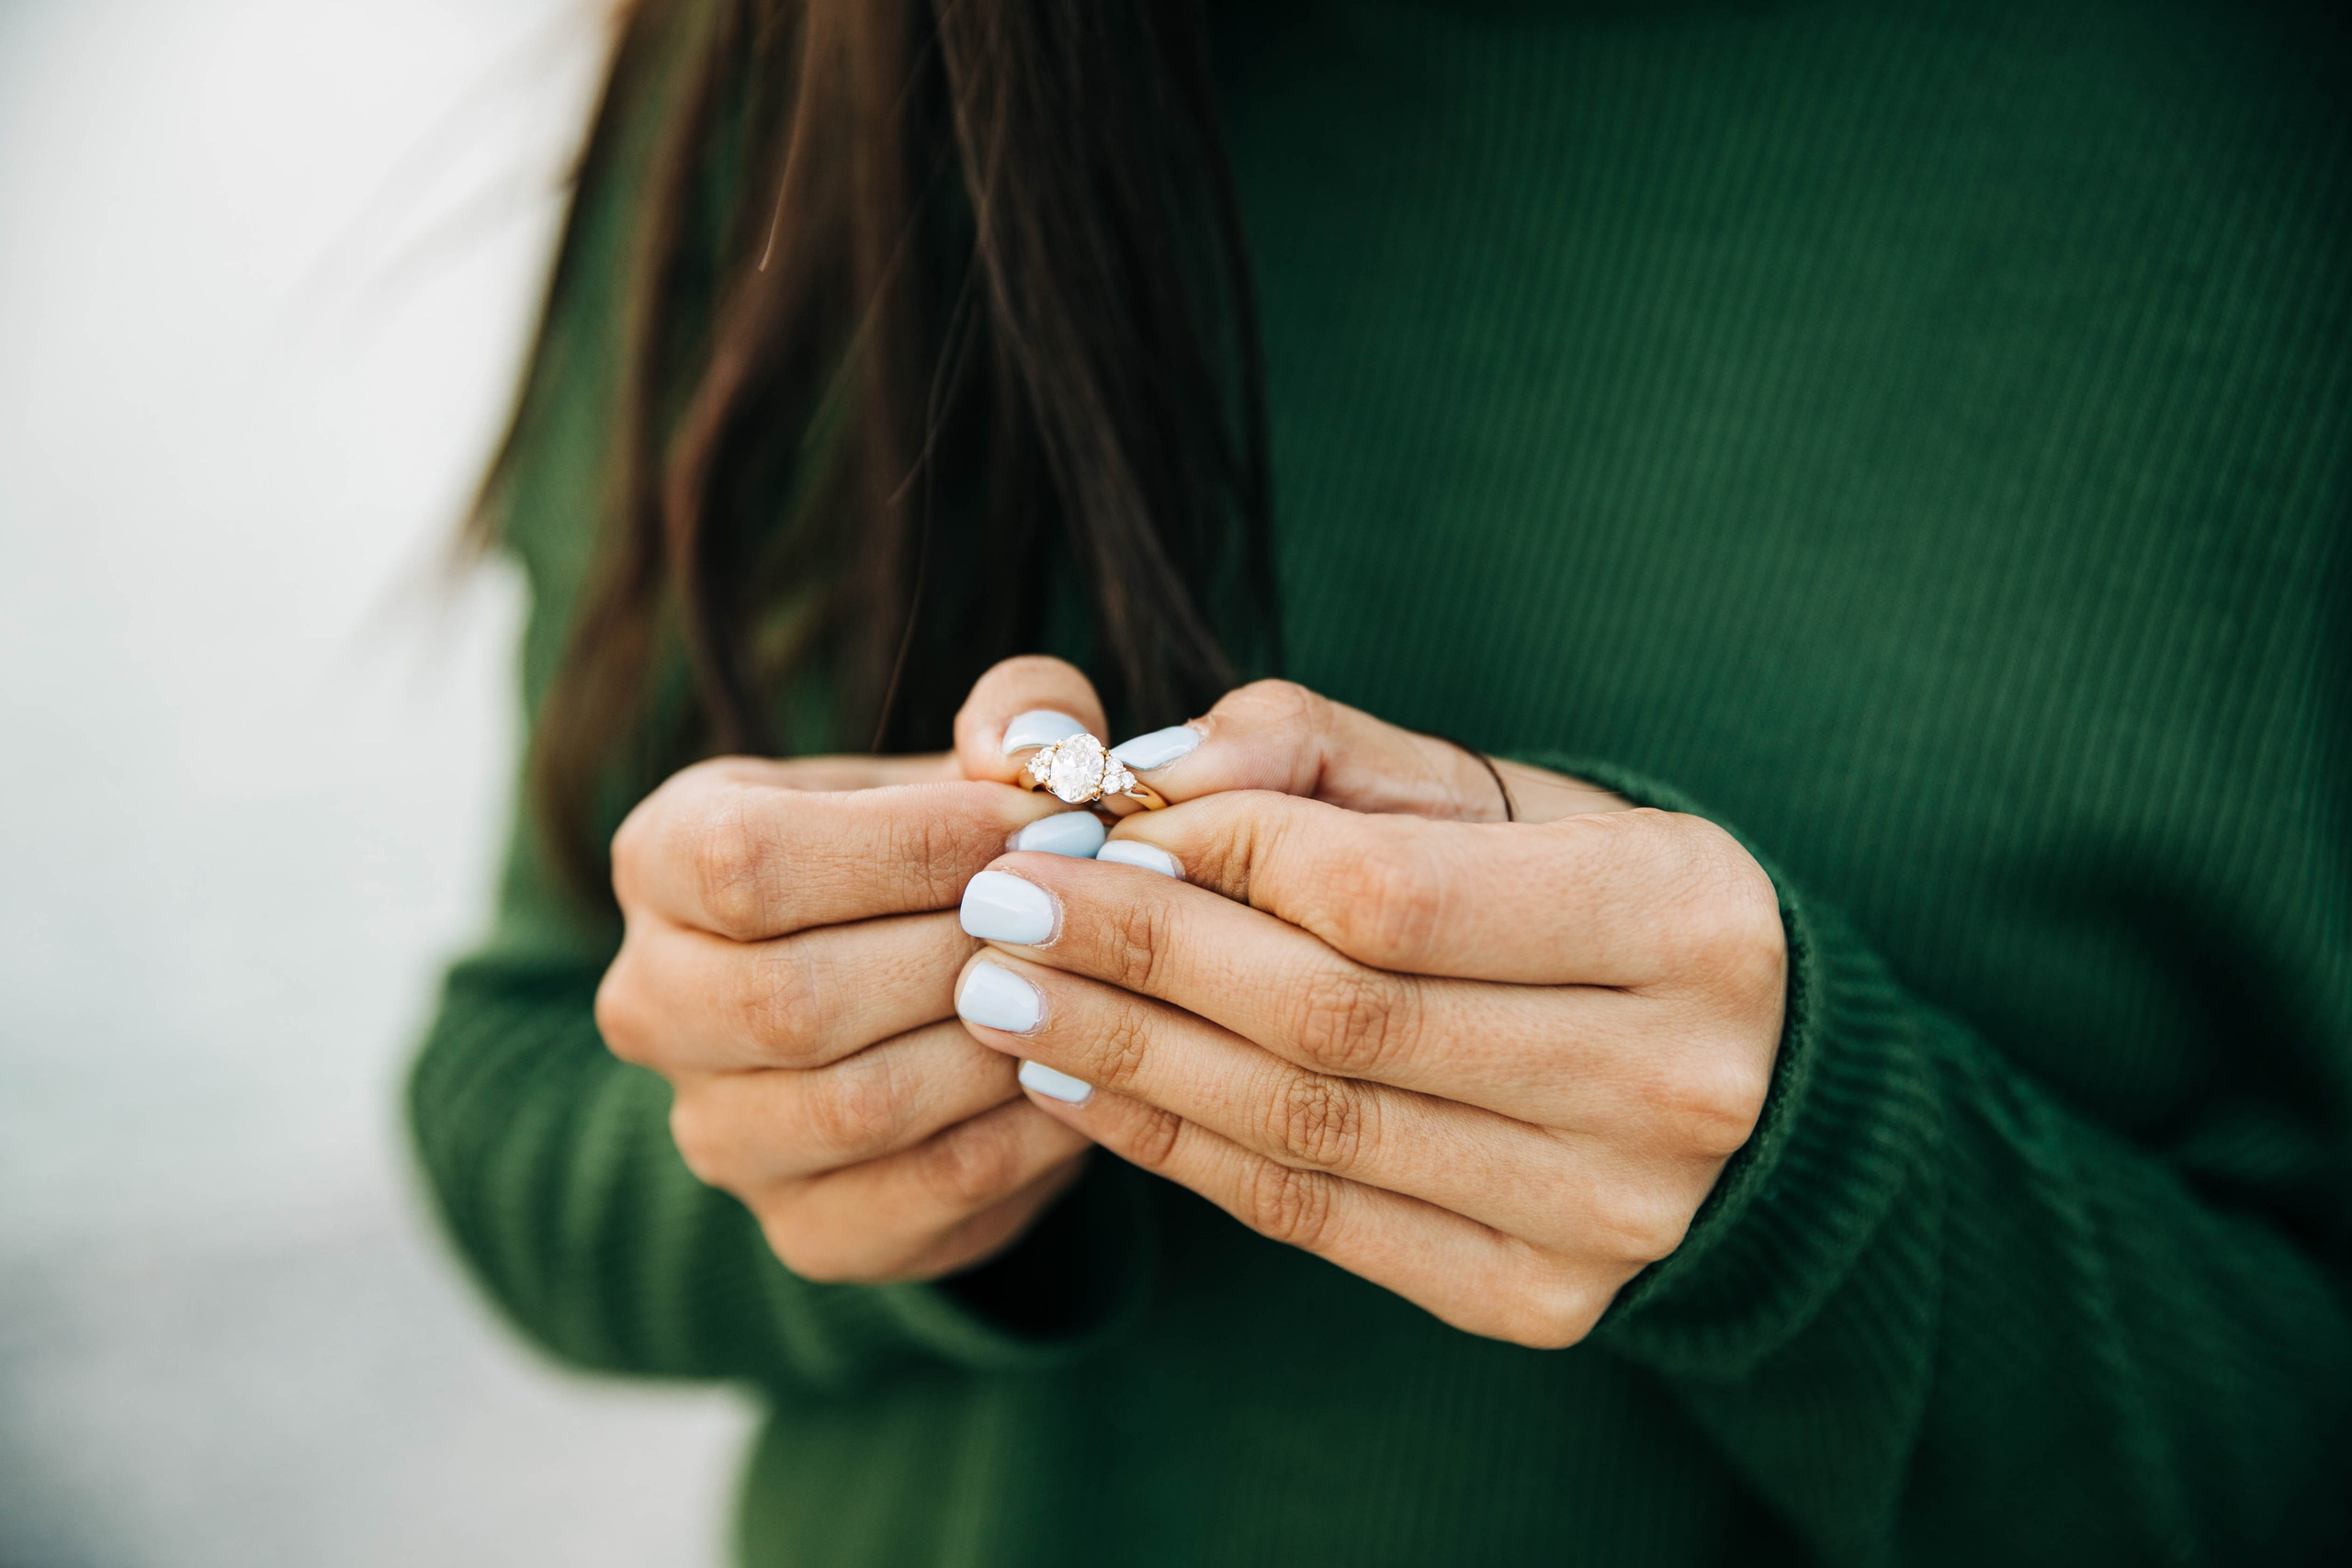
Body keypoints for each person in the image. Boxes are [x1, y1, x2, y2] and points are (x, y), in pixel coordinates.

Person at [408, 1, 2352, 1562]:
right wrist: (826, 1102)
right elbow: (515, 1082)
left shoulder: (2265, 138)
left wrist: (1825, 1181)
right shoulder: (825, 58)